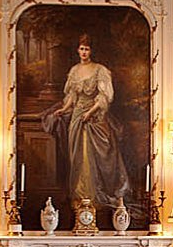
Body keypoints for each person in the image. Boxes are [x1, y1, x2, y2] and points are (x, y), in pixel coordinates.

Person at [49, 34, 130, 213]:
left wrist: (90, 112)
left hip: (94, 117)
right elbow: (72, 96)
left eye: (87, 49)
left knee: (92, 154)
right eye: (81, 49)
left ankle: (94, 196)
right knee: (77, 155)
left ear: (91, 51)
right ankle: (79, 196)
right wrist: (64, 109)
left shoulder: (100, 70)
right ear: (78, 50)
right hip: (77, 116)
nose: (84, 52)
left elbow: (103, 98)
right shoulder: (74, 70)